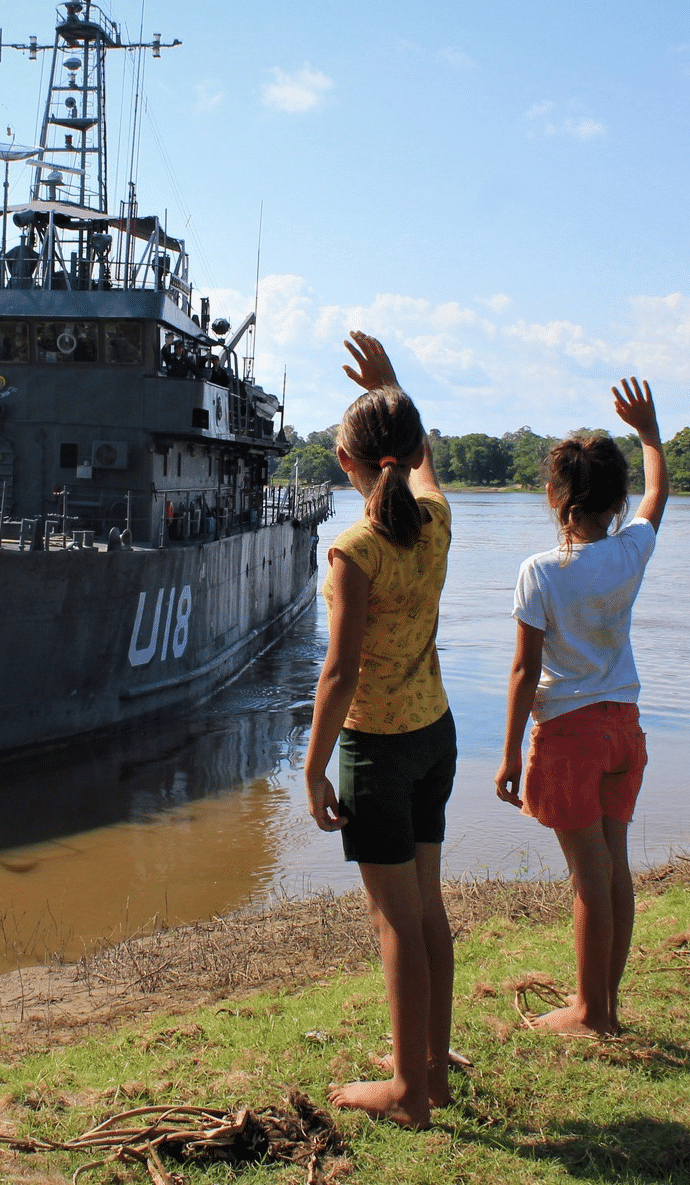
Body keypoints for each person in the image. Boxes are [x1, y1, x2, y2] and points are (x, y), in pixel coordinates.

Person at [302, 331, 457, 1129]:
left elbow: (339, 672)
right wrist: (393, 387)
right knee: (426, 905)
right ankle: (430, 1068)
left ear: (343, 460)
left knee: (393, 917)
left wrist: (312, 766)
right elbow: (422, 459)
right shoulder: (436, 519)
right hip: (434, 732)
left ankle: (405, 1093)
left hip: (379, 748)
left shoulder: (353, 549)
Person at [494, 379, 667, 1038]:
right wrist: (650, 433)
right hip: (625, 729)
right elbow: (658, 496)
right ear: (614, 500)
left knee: (587, 881)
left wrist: (509, 751)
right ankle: (606, 1003)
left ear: (555, 496)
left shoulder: (540, 570)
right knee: (615, 868)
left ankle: (591, 1012)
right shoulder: (630, 551)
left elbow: (523, 670)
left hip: (569, 734)